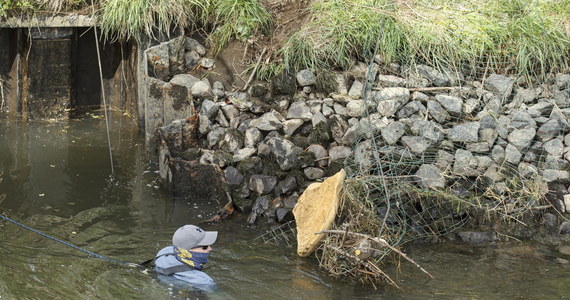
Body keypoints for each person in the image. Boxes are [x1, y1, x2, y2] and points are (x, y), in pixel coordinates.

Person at [154, 224, 218, 292]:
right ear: (188, 251)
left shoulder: (164, 253)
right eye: (205, 247)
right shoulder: (204, 282)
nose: (210, 248)